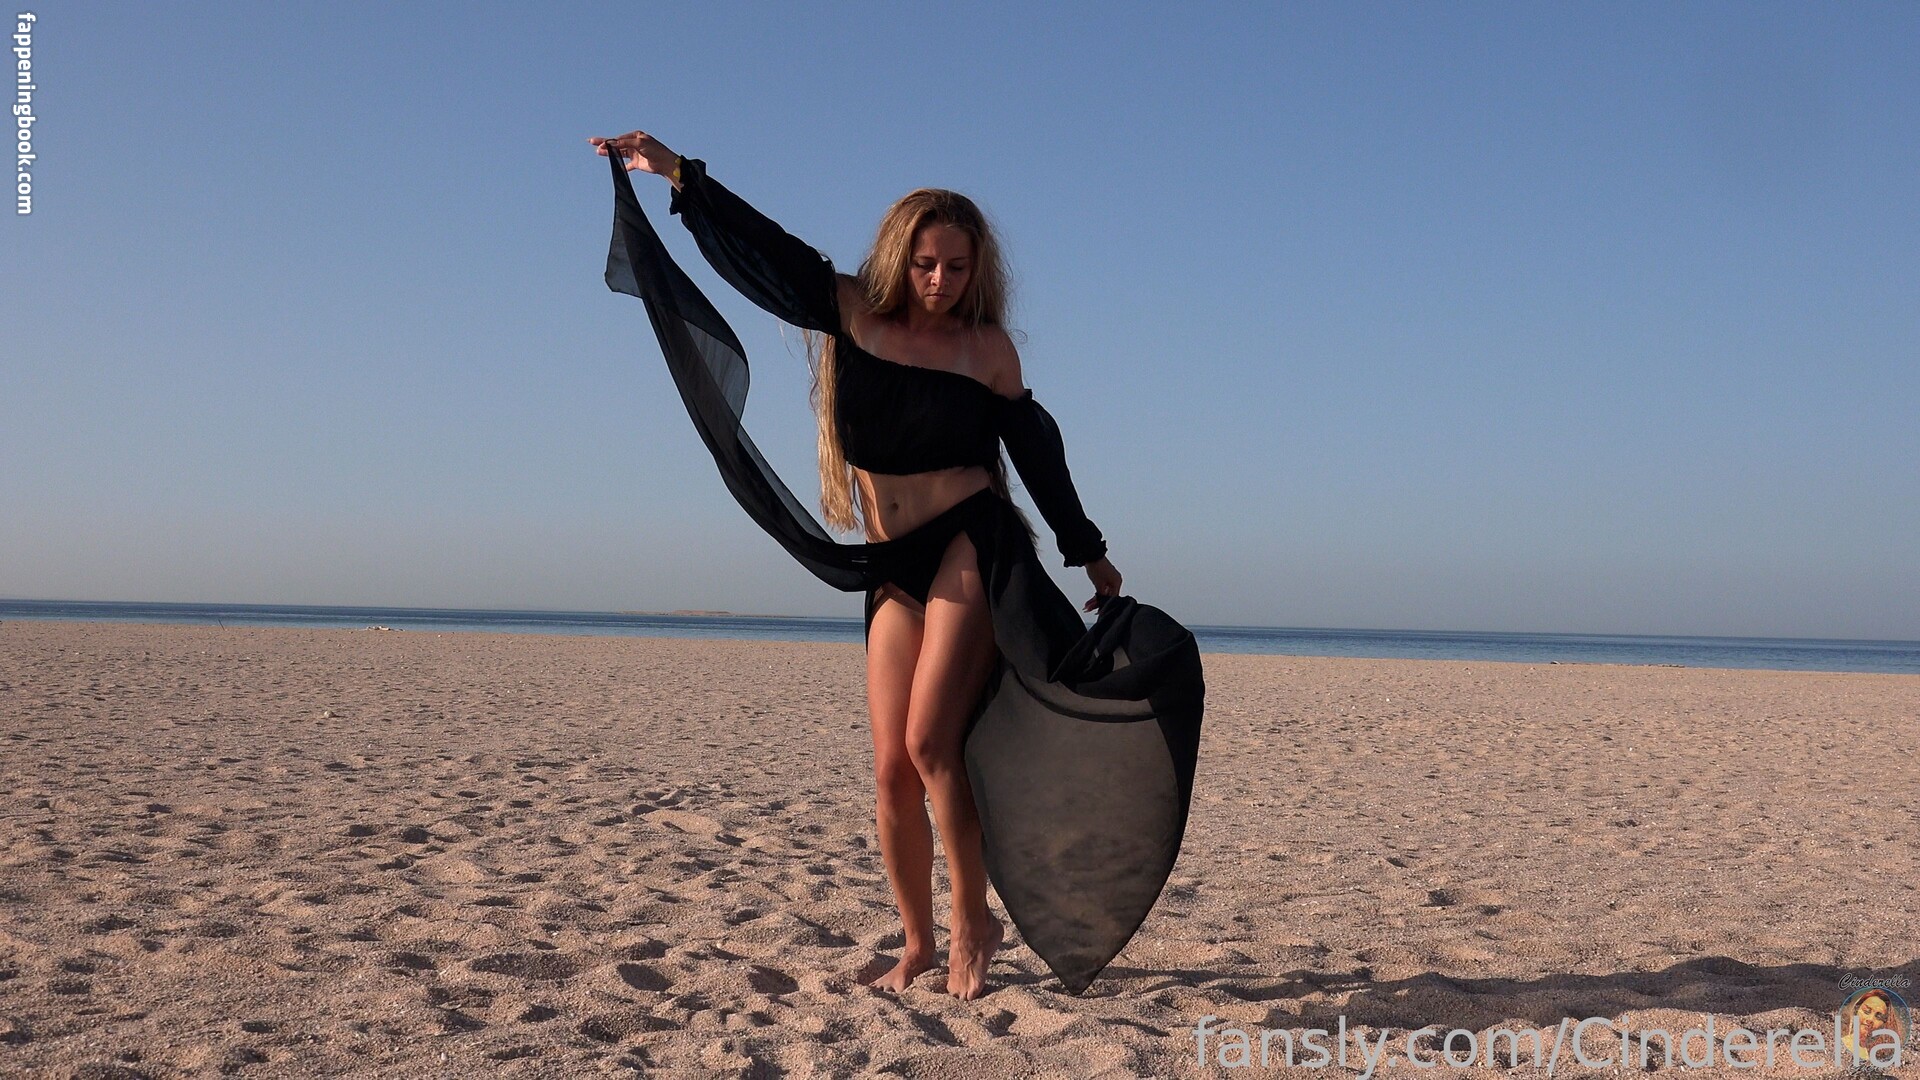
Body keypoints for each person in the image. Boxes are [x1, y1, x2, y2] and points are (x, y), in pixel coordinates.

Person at [591, 130, 1203, 1000]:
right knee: (889, 769)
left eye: (956, 266)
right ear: (899, 258)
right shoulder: (851, 311)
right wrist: (681, 176)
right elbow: (764, 254)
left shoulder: (987, 351)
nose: (939, 281)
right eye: (925, 264)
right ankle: (916, 941)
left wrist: (1086, 549)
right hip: (891, 563)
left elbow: (1035, 452)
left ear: (977, 270)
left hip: (969, 543)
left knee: (929, 742)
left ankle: (973, 923)